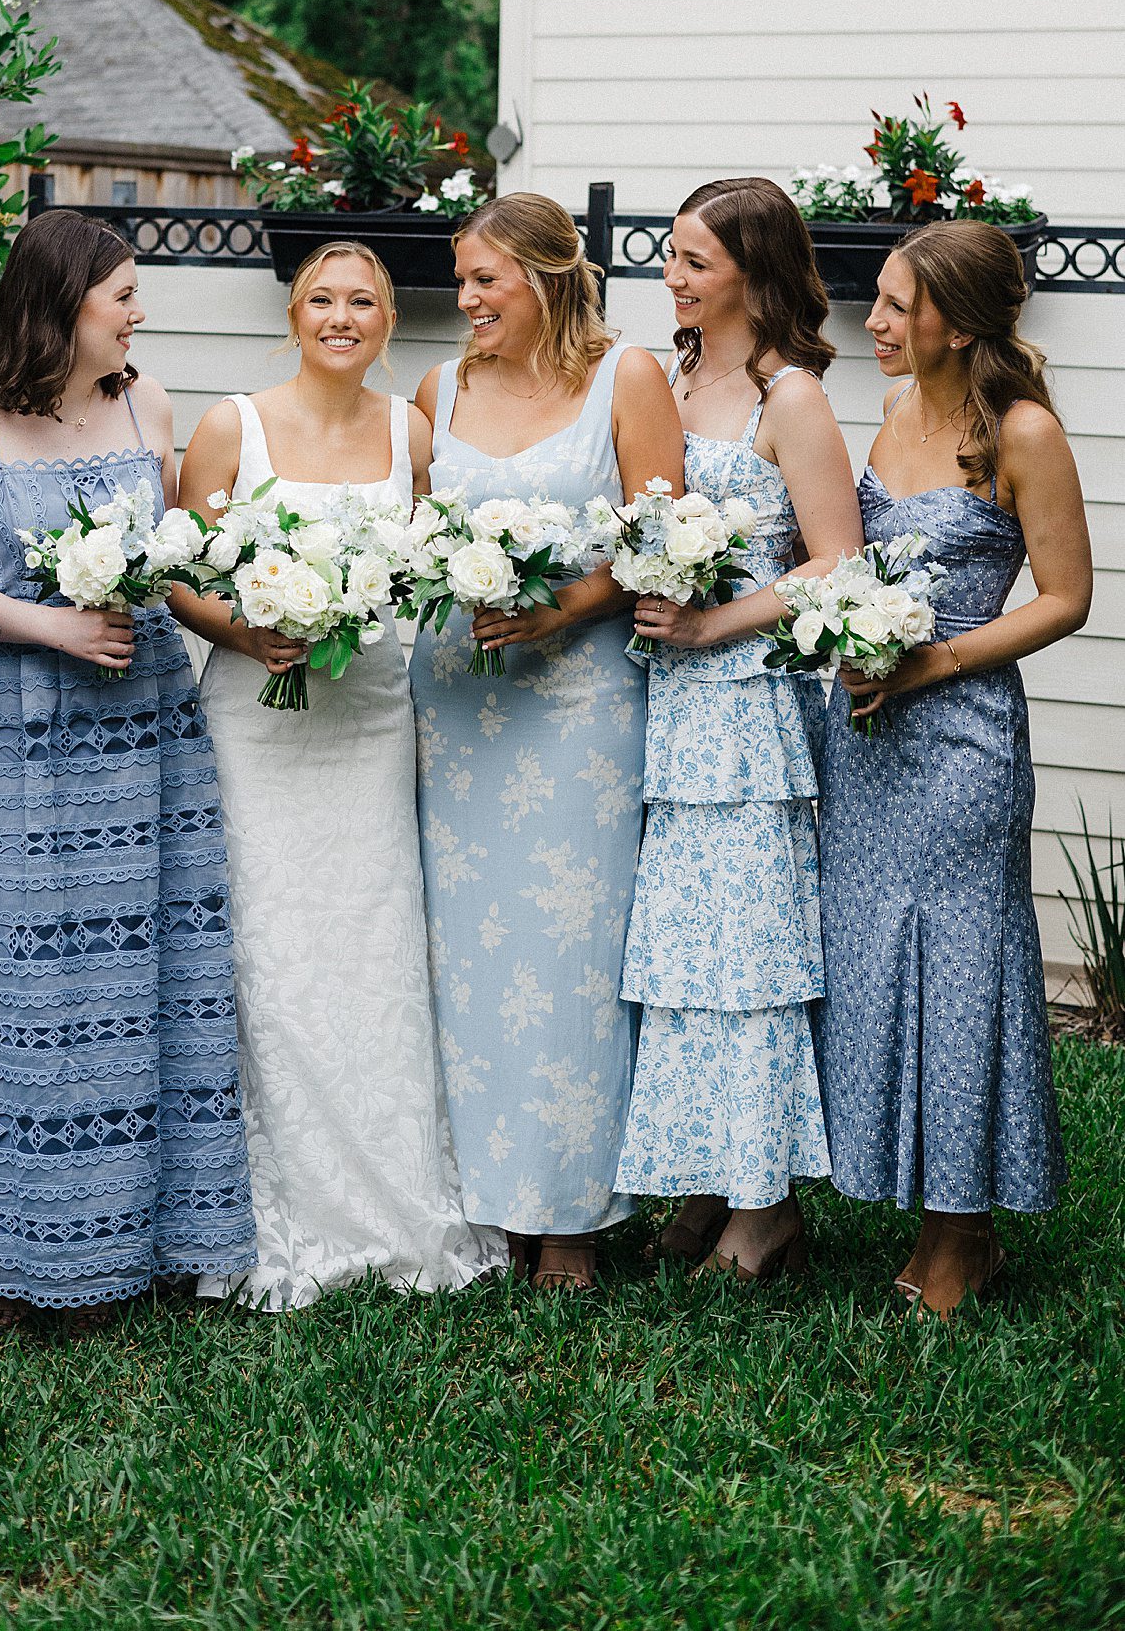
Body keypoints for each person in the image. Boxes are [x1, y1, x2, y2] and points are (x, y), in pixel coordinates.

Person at [0, 209, 256, 1317]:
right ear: (62, 303)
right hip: (11, 729)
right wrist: (50, 625)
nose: (140, 313)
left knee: (141, 977)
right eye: (124, 296)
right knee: (13, 979)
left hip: (142, 724)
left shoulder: (146, 400)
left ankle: (141, 1245)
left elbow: (189, 550)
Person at [174, 242, 503, 1308]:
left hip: (366, 714)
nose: (343, 317)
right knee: (267, 943)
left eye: (363, 301)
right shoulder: (234, 425)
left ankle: (393, 1198)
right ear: (294, 313)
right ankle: (267, 1212)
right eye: (323, 299)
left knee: (371, 938)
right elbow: (183, 577)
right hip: (258, 723)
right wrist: (248, 634)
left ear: (388, 322)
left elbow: (433, 564)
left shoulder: (412, 434)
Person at [815, 220, 1091, 1318]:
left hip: (962, 733)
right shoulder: (887, 413)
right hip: (866, 732)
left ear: (960, 323)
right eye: (875, 299)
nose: (874, 323)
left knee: (961, 963)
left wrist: (932, 662)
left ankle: (962, 1230)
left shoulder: (1023, 432)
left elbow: (1067, 599)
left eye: (896, 306)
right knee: (878, 956)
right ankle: (900, 1182)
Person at [410, 192, 685, 1291]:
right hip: (461, 705)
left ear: (548, 276)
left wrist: (560, 608)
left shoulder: (628, 379)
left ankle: (567, 1214)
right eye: (462, 280)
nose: (466, 300)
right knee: (467, 952)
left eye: (486, 281)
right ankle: (485, 1206)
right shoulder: (442, 388)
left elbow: (665, 538)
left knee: (570, 955)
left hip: (580, 709)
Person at [616, 179, 864, 1280]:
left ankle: (767, 1207)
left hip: (749, 707)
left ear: (754, 275)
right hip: (667, 703)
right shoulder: (673, 374)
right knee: (687, 951)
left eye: (695, 261)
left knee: (750, 953)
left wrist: (716, 623)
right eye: (671, 256)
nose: (673, 276)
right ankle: (713, 1176)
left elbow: (834, 561)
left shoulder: (790, 395)